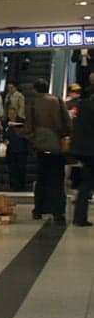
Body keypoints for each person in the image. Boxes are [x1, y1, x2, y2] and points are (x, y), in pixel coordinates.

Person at [25, 78, 71, 223]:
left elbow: (29, 127)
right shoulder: (57, 100)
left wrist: (33, 138)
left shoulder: (33, 103)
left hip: (41, 146)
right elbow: (67, 123)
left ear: (35, 89)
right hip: (57, 145)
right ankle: (58, 211)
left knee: (41, 178)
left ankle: (39, 209)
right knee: (57, 179)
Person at [69, 74, 94, 227]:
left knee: (86, 183)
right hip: (91, 149)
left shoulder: (83, 104)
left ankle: (79, 217)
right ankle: (80, 217)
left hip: (83, 149)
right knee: (87, 182)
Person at [2, 107, 29, 191]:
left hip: (21, 148)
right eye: (10, 114)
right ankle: (13, 186)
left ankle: (22, 185)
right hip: (10, 149)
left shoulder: (22, 122)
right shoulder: (5, 122)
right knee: (12, 168)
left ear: (16, 114)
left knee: (21, 167)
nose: (11, 115)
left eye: (13, 114)